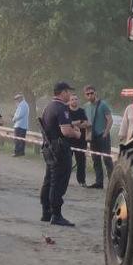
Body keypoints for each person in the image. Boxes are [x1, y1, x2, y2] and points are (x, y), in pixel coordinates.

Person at [39, 82, 80, 226]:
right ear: (63, 92)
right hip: (60, 149)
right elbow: (66, 131)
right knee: (59, 183)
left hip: (48, 147)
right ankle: (56, 215)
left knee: (49, 180)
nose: (70, 95)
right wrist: (77, 133)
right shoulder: (62, 108)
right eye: (69, 92)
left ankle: (46, 212)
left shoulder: (48, 106)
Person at [83, 85, 114, 188]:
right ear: (85, 95)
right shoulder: (86, 106)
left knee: (107, 160)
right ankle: (99, 182)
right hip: (93, 136)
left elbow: (110, 120)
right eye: (88, 94)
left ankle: (112, 184)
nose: (90, 95)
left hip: (103, 135)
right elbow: (86, 121)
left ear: (95, 93)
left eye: (92, 93)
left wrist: (105, 133)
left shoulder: (103, 105)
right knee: (95, 159)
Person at [67, 94, 90, 186]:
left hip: (81, 140)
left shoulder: (82, 111)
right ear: (69, 101)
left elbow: (86, 123)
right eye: (72, 99)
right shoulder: (66, 111)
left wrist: (74, 124)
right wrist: (79, 122)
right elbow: (67, 123)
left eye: (76, 99)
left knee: (81, 162)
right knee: (67, 161)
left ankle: (81, 181)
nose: (74, 101)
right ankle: (64, 179)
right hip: (69, 139)